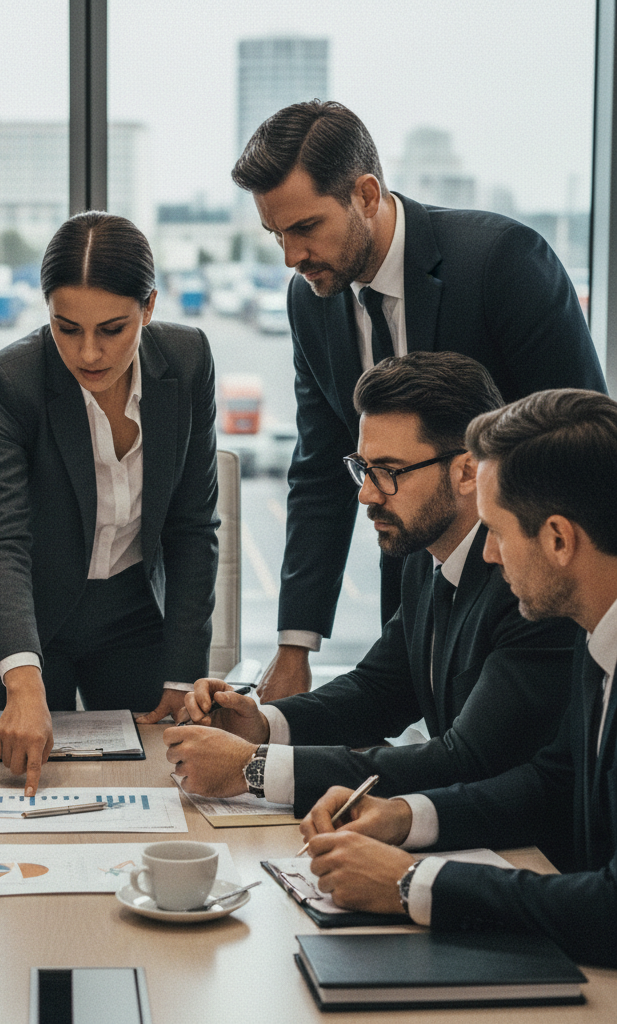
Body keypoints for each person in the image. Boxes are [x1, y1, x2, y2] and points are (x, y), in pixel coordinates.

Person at [231, 100, 607, 702]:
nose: (290, 256)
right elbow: (321, 470)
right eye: (276, 234)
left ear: (366, 194)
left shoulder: (501, 262)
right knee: (408, 729)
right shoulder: (310, 301)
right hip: (411, 572)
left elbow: (582, 447)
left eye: (305, 228)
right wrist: (295, 645)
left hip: (528, 596)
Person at [163, 351, 578, 815]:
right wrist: (261, 724)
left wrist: (254, 768)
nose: (366, 493)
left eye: (388, 472)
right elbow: (380, 691)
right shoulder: (425, 554)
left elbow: (467, 760)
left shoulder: (528, 582)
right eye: (363, 468)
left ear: (466, 472)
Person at [299, 388, 617, 968]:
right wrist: (404, 816)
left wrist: (411, 884)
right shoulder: (598, 636)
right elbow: (553, 782)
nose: (488, 555)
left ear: (558, 539)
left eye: (496, 531)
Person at [0, 211, 220, 795]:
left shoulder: (187, 360)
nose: (89, 353)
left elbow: (193, 525)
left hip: (133, 613)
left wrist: (183, 670)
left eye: (112, 329)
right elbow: (0, 541)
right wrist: (21, 680)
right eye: (66, 328)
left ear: (149, 306)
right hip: (24, 614)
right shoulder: (7, 381)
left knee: (153, 777)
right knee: (27, 780)